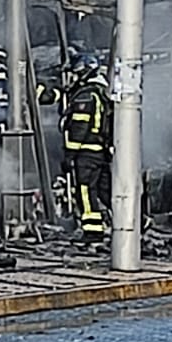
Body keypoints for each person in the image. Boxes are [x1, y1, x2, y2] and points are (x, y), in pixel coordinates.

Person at [61, 55, 111, 239]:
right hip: (100, 151)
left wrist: (70, 155)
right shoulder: (99, 92)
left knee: (85, 189)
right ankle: (138, 220)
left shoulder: (85, 97)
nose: (72, 78)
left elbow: (79, 129)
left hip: (86, 152)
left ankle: (92, 230)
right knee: (106, 191)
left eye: (74, 74)